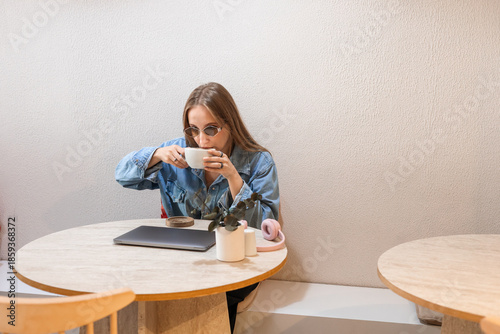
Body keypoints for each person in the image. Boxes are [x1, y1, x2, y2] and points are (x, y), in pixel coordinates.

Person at [115, 82, 279, 332]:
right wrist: (157, 154)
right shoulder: (176, 152)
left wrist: (234, 178)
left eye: (211, 129)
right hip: (181, 261)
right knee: (128, 291)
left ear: (230, 125)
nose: (201, 141)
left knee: (204, 299)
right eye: (193, 130)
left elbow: (264, 229)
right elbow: (122, 175)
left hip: (233, 266)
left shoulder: (258, 162)